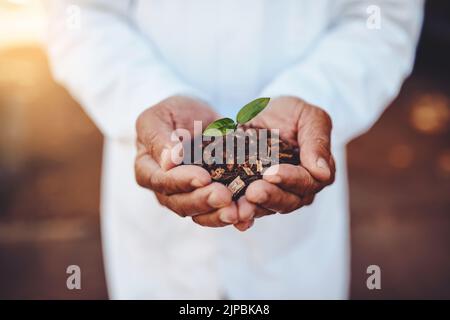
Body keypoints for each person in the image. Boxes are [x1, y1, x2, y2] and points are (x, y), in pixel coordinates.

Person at [46, 0, 423, 299]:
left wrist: (314, 96)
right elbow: (80, 16)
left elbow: (382, 16)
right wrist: (148, 97)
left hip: (293, 239)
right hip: (158, 225)